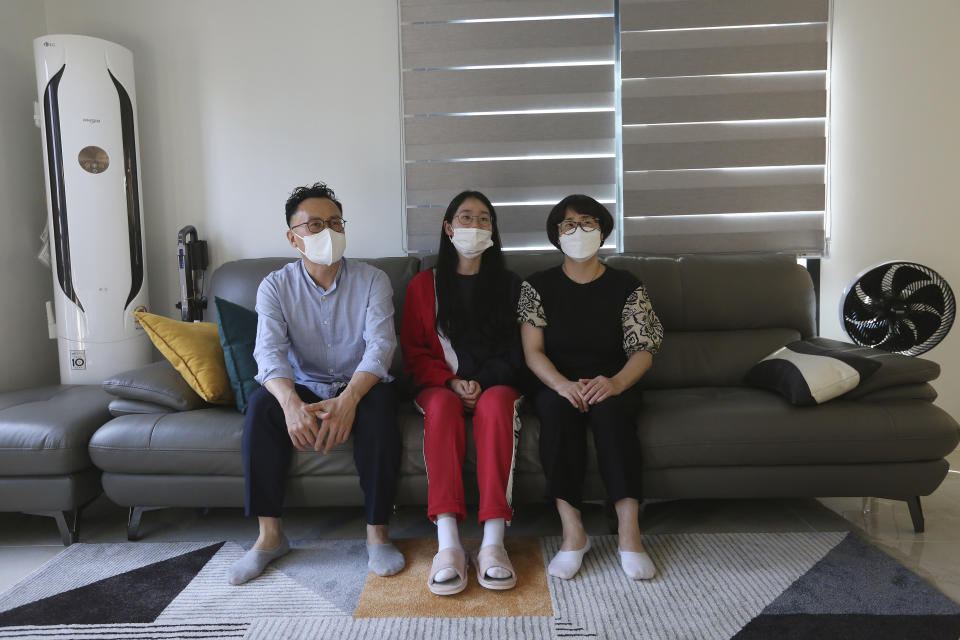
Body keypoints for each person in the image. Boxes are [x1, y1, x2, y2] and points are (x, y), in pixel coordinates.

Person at [227, 182, 404, 585]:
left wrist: (350, 399)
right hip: (303, 385)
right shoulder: (274, 286)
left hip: (360, 382)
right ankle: (270, 537)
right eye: (316, 224)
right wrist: (290, 403)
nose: (329, 231)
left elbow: (381, 346)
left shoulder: (373, 280)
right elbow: (268, 354)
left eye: (336, 222)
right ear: (293, 237)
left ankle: (377, 534)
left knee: (379, 410)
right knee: (261, 406)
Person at [518, 194, 664, 581]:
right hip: (558, 382)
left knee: (613, 415)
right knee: (556, 414)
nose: (578, 231)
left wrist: (615, 382)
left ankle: (630, 534)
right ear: (556, 234)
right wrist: (561, 385)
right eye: (568, 225)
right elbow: (533, 352)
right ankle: (573, 533)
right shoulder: (536, 287)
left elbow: (644, 349)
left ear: (602, 231)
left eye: (587, 222)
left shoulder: (627, 286)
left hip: (613, 380)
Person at [400, 190, 525, 596]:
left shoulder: (510, 285)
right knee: (441, 406)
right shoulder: (424, 286)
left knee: (495, 405)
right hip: (441, 385)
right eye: (466, 218)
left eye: (484, 219)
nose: (475, 225)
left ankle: (492, 542)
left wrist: (483, 383)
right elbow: (413, 349)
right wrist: (451, 382)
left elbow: (519, 349)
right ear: (449, 228)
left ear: (493, 230)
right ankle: (448, 543)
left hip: (496, 384)